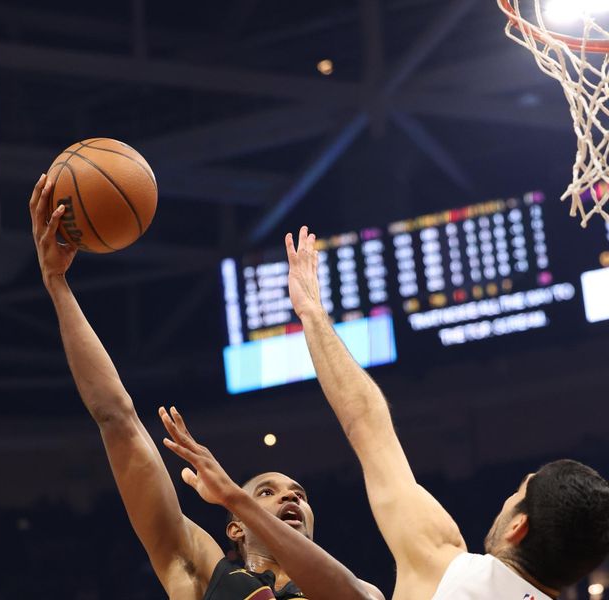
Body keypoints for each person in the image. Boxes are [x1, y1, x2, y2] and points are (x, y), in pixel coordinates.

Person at [29, 174, 383, 600]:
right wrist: (57, 284)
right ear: (234, 529)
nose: (290, 497)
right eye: (268, 492)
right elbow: (117, 419)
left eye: (299, 495)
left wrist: (238, 497)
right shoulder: (200, 576)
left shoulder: (361, 591)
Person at [285, 225, 609, 600]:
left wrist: (312, 312)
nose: (507, 499)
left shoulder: (442, 564)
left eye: (517, 493)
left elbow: (367, 425)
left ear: (518, 527)